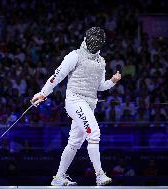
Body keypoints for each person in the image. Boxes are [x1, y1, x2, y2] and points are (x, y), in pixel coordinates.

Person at [31, 27, 121, 186]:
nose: (95, 42)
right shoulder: (75, 55)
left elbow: (99, 86)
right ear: (87, 38)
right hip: (75, 100)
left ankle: (58, 178)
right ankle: (99, 175)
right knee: (94, 133)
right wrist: (43, 93)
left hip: (89, 104)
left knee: (74, 143)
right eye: (93, 38)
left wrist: (112, 81)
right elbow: (57, 75)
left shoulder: (101, 61)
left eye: (98, 40)